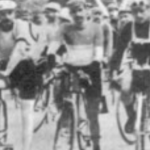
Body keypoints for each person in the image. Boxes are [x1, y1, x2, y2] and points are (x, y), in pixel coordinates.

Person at [49, 0, 104, 149]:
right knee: (65, 101)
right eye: (73, 11)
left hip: (91, 68)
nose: (77, 14)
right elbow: (55, 42)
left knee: (92, 112)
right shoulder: (65, 27)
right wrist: (50, 54)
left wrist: (96, 61)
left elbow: (99, 49)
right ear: (70, 14)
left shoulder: (96, 27)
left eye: (80, 10)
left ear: (87, 11)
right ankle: (65, 132)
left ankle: (96, 143)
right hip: (71, 69)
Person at [0, 1, 50, 150]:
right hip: (5, 64)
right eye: (2, 14)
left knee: (26, 109)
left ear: (14, 13)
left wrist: (7, 73)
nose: (5, 17)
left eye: (9, 13)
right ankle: (3, 134)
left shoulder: (20, 25)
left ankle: (26, 147)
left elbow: (19, 50)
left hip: (25, 67)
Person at [113, 0, 150, 133]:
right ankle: (132, 116)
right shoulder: (129, 27)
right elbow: (119, 50)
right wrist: (114, 69)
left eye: (142, 11)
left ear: (148, 9)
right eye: (135, 12)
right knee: (125, 89)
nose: (139, 15)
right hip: (134, 65)